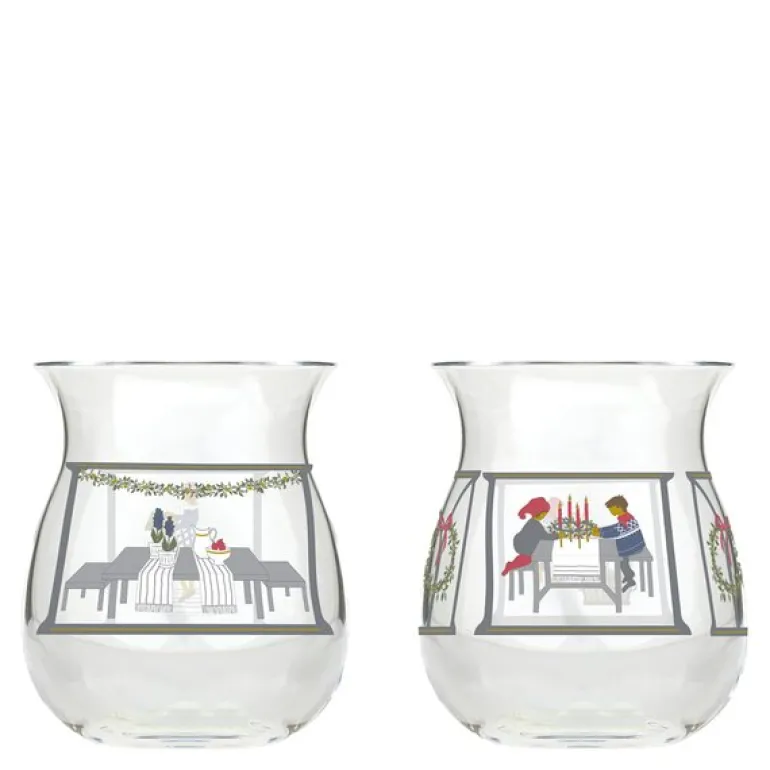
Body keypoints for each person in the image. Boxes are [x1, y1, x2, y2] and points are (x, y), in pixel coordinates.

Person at [592, 495, 646, 592]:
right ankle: (629, 575)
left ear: (618, 507)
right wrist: (600, 530)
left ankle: (631, 581)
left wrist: (600, 533)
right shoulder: (625, 517)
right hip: (633, 544)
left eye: (611, 509)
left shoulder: (626, 520)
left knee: (622, 564)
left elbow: (616, 532)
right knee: (623, 562)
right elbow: (615, 527)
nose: (610, 511)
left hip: (634, 546)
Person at [501, 496, 561, 576]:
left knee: (526, 558)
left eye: (545, 514)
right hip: (523, 544)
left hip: (524, 544)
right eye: (543, 514)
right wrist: (557, 536)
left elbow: (543, 535)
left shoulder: (534, 523)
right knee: (526, 559)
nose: (544, 516)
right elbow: (545, 536)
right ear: (537, 513)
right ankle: (510, 566)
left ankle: (511, 565)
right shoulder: (534, 524)